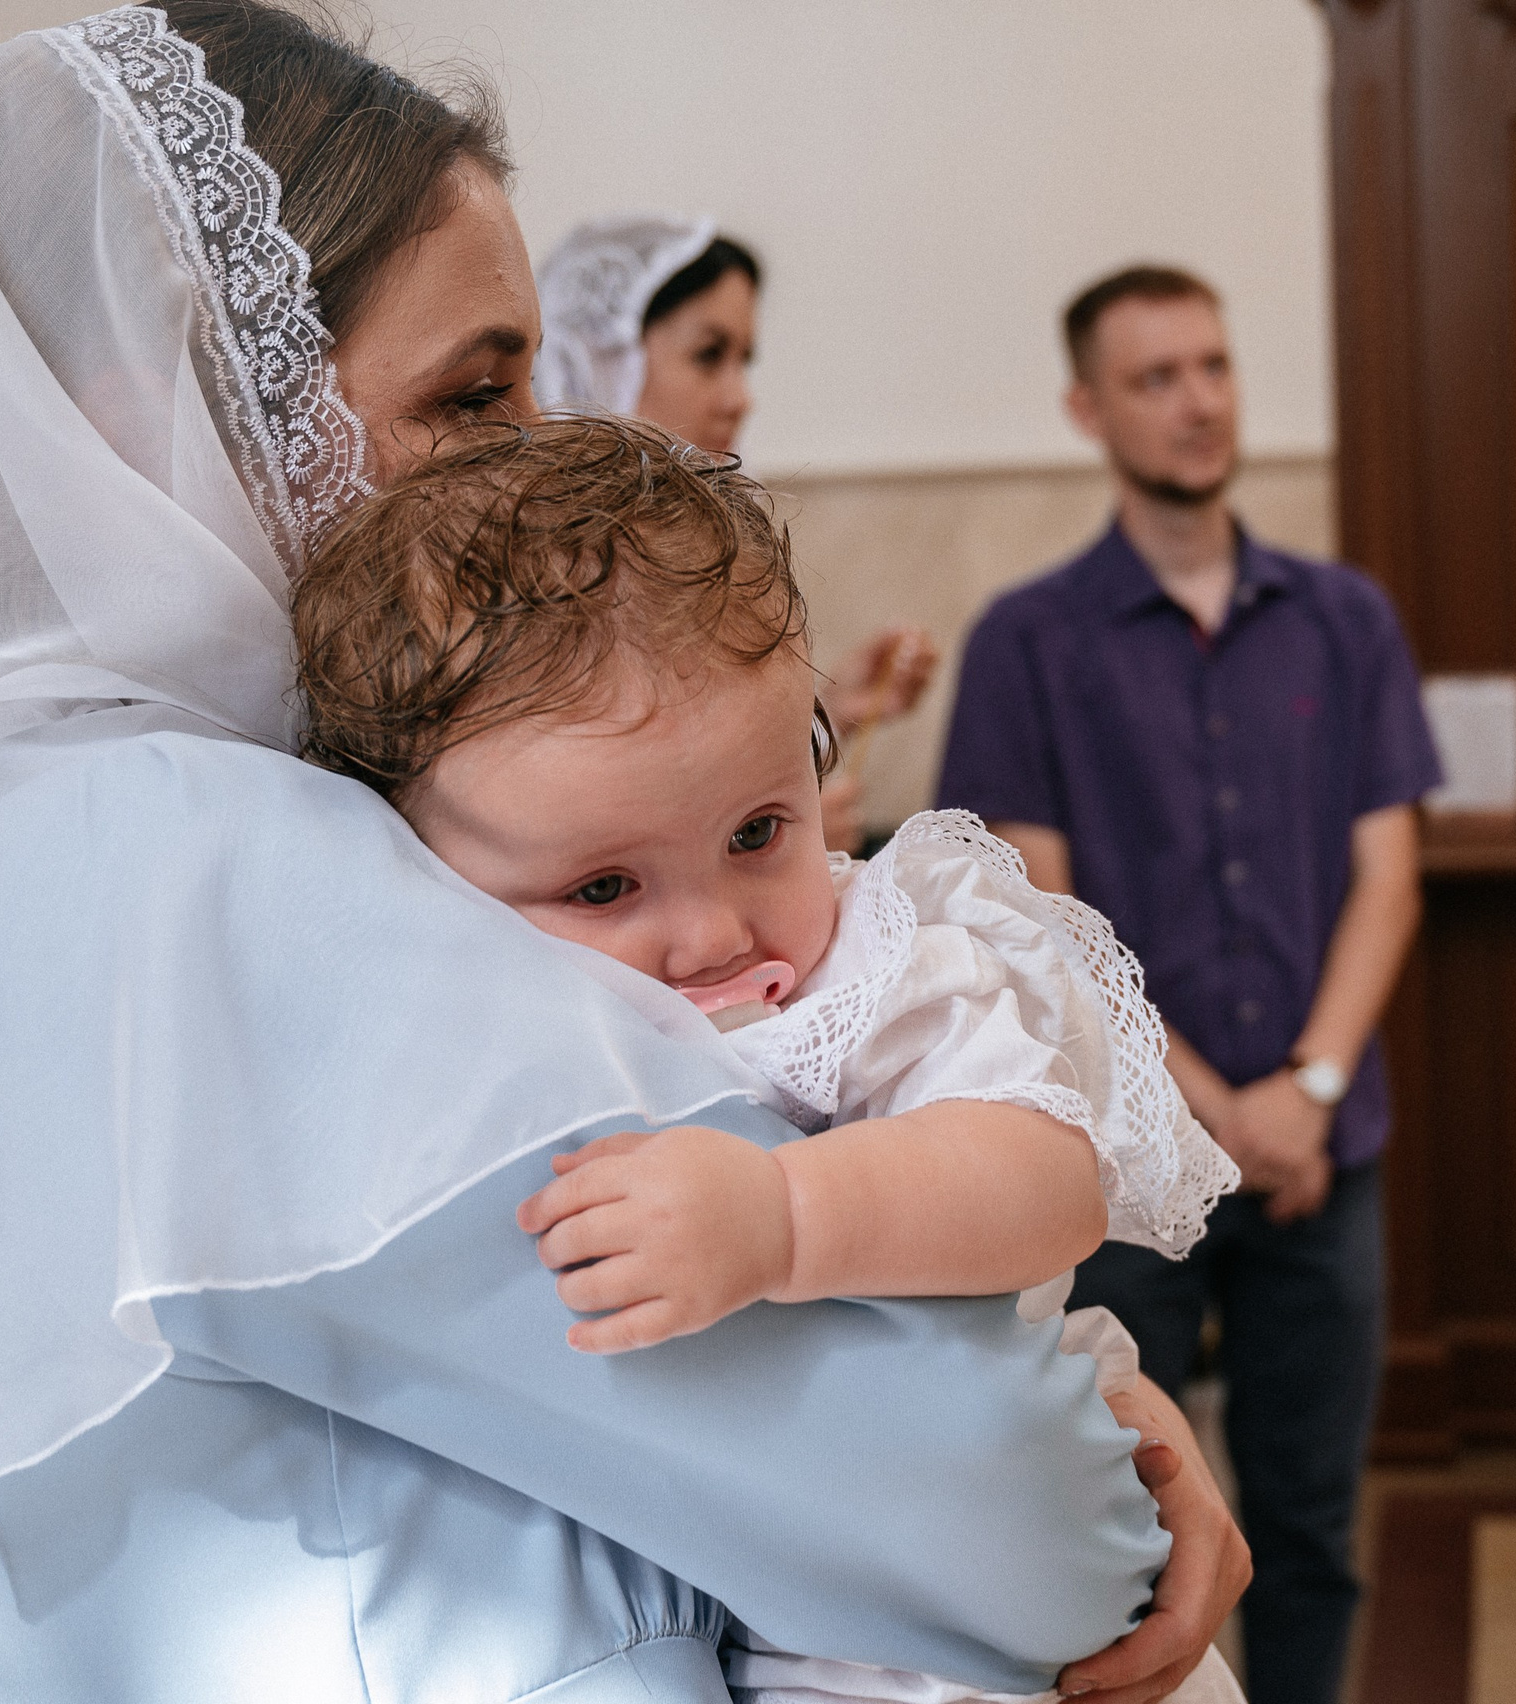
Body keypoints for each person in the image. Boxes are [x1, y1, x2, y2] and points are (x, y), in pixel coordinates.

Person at [0, 9, 1246, 1702]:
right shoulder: (189, 864)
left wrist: (1043, 1356)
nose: (529, 462)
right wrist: (1088, 1420)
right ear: (167, 420)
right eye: (474, 391)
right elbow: (1005, 1504)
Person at [295, 414, 1246, 1703]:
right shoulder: (462, 1016)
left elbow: (1045, 1175)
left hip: (994, 1645)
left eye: (759, 831)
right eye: (605, 884)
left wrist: (786, 1212)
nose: (713, 934)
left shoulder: (871, 965)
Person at [937, 265, 1439, 1704]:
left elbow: (1388, 875)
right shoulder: (1028, 643)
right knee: (1128, 1525)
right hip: (1126, 1164)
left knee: (1311, 1521)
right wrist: (1214, 1110)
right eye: (1155, 377)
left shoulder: (1345, 621)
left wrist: (1312, 1089)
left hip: (1323, 1153)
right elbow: (1041, 913)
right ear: (1087, 409)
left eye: (1212, 364)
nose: (1198, 400)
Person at [534, 215, 937, 852]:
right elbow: (577, 822)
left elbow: (695, 758)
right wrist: (779, 844)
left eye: (743, 360)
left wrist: (835, 706)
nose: (741, 396)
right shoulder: (542, 554)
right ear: (606, 356)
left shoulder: (690, 537)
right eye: (708, 355)